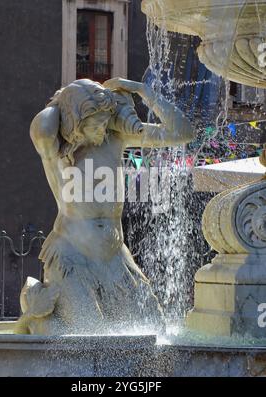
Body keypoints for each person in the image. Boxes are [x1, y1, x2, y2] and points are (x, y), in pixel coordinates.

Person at [16, 78, 195, 335]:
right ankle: (35, 319)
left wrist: (142, 91)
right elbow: (43, 127)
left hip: (115, 258)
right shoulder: (55, 149)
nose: (102, 127)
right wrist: (67, 98)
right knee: (86, 335)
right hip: (72, 255)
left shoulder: (116, 137)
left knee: (155, 329)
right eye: (95, 122)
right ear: (75, 121)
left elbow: (183, 132)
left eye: (105, 119)